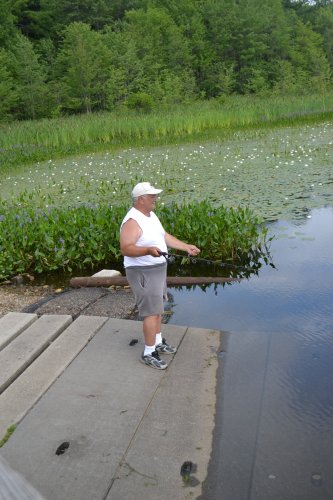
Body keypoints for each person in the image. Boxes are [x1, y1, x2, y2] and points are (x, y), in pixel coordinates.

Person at [120, 181, 200, 370]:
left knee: (158, 309)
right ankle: (148, 352)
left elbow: (163, 236)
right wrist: (148, 250)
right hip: (142, 272)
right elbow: (126, 248)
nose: (156, 198)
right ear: (141, 199)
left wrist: (185, 247)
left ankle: (157, 342)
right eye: (152, 196)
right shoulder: (132, 221)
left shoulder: (150, 215)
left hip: (157, 269)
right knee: (150, 312)